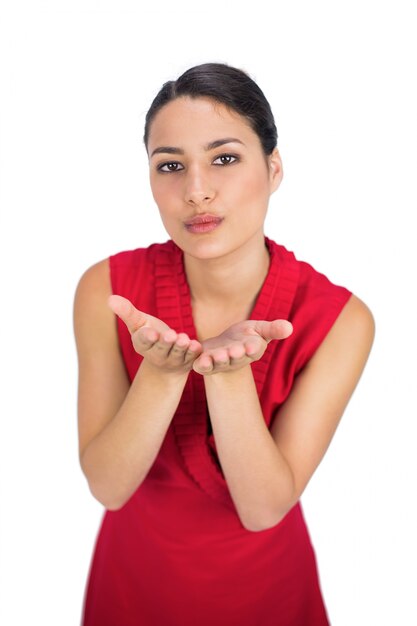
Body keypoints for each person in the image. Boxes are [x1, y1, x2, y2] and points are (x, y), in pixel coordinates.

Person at [74, 62, 375, 626]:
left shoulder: (340, 319)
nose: (196, 190)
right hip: (132, 589)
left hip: (267, 594)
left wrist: (230, 375)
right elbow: (108, 487)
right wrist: (161, 376)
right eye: (170, 166)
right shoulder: (106, 289)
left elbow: (264, 509)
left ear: (274, 167)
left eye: (225, 158)